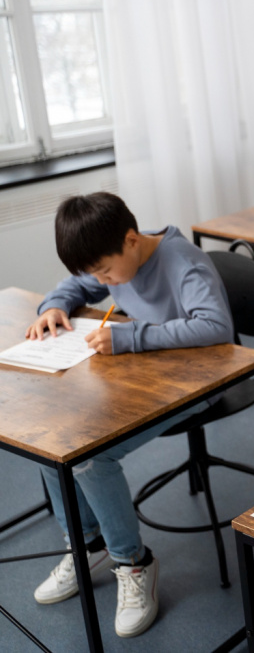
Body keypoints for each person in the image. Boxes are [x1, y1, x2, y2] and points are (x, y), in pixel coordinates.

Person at [25, 192, 233, 638]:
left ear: (132, 240)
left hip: (197, 383)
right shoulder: (120, 258)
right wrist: (54, 305)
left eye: (104, 271)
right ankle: (87, 546)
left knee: (90, 455)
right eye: (96, 273)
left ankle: (133, 563)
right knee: (51, 437)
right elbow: (79, 287)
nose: (103, 281)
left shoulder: (183, 262)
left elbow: (216, 326)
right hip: (144, 377)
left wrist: (131, 338)